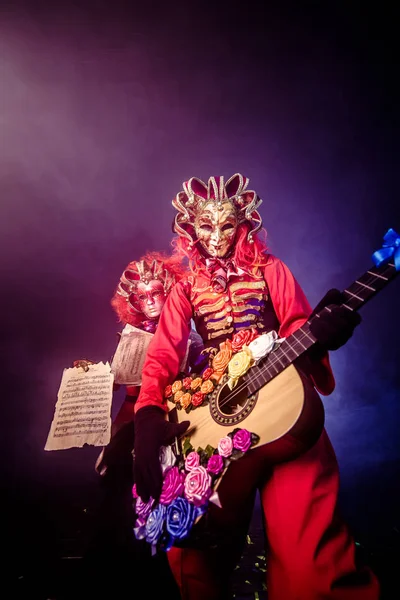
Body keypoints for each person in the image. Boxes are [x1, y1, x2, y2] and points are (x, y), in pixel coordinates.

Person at [132, 174, 380, 599]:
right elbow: (162, 355)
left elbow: (298, 323)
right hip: (215, 413)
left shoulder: (271, 269)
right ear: (189, 228)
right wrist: (149, 413)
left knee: (310, 564)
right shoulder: (186, 288)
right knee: (194, 556)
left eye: (225, 225)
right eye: (204, 226)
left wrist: (324, 333)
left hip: (283, 408)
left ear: (243, 223)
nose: (214, 236)